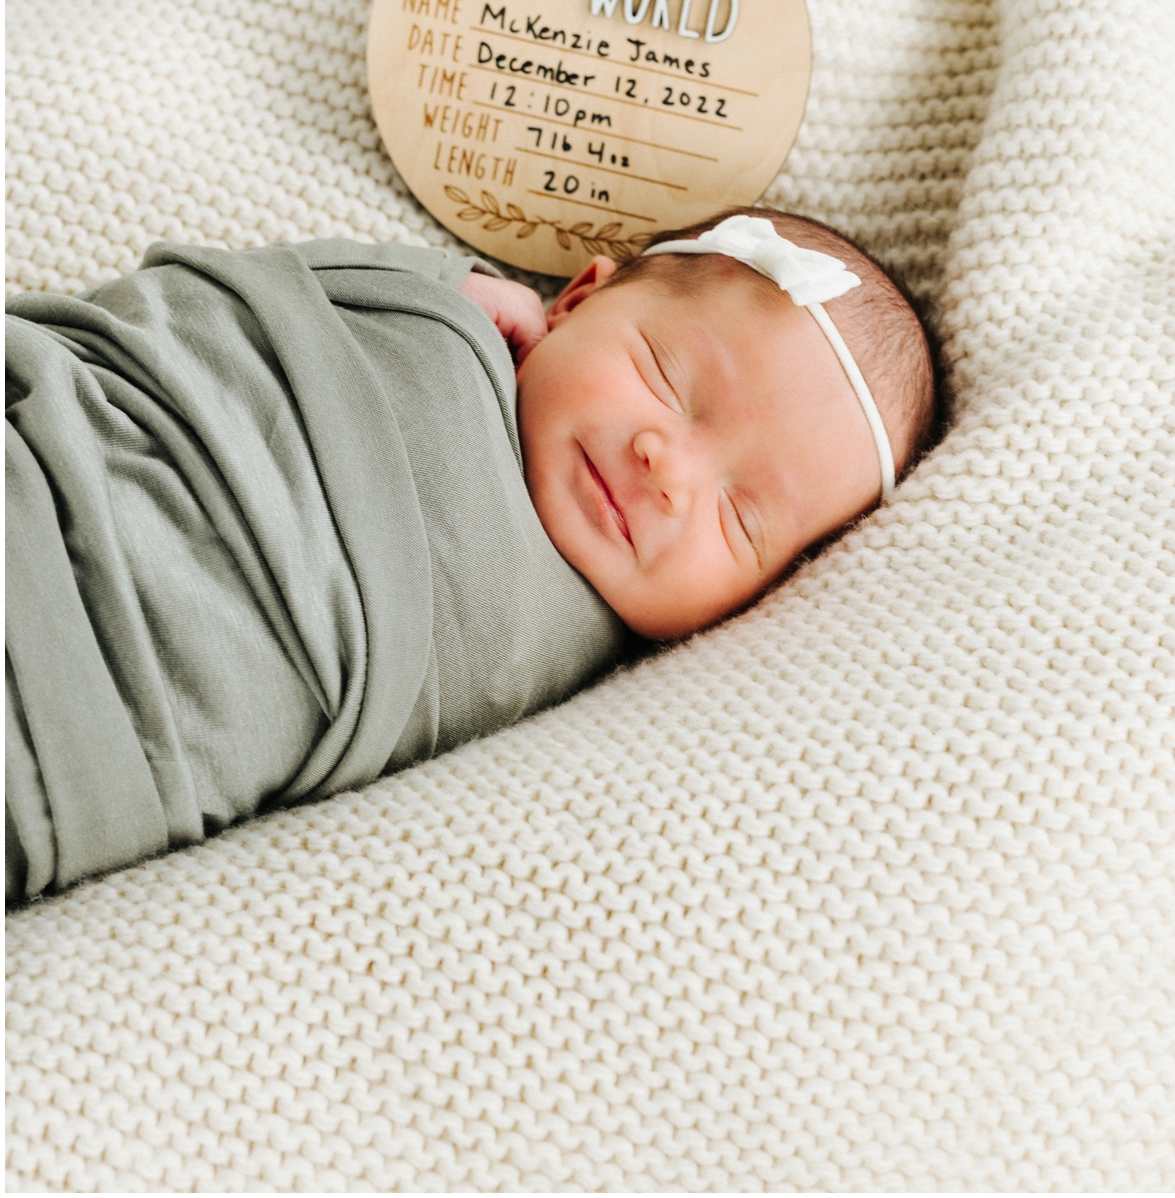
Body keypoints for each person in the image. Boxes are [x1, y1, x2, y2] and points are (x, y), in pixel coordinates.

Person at [5, 207, 937, 903]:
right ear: (575, 298)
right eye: (665, 374)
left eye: (741, 516)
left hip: (71, 739)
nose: (669, 470)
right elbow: (235, 313)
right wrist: (430, 287)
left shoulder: (601, 692)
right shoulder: (444, 324)